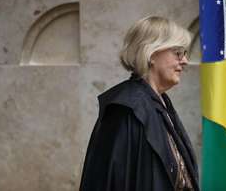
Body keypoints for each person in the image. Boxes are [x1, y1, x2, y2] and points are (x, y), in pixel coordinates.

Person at [79, 16, 199, 191]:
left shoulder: (160, 103)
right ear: (151, 54)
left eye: (184, 53)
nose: (185, 61)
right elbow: (108, 182)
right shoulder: (126, 109)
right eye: (178, 52)